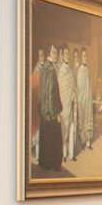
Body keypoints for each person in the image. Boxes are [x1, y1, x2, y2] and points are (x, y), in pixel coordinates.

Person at [37, 44, 63, 172]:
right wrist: (56, 111)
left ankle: (45, 163)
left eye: (56, 52)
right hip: (50, 110)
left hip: (44, 109)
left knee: (46, 137)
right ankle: (53, 165)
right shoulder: (51, 69)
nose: (56, 54)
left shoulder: (45, 68)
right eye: (54, 52)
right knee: (53, 137)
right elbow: (51, 92)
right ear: (49, 53)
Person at [56, 44, 77, 163]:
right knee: (63, 130)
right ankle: (64, 154)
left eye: (67, 54)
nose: (67, 56)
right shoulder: (60, 72)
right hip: (63, 105)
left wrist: (74, 93)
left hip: (71, 103)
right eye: (65, 54)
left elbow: (74, 86)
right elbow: (59, 89)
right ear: (61, 55)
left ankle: (71, 154)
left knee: (71, 129)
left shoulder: (70, 70)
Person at [75, 47, 93, 151]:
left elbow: (89, 85)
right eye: (83, 56)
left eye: (86, 55)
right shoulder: (79, 70)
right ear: (81, 57)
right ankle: (82, 141)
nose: (85, 57)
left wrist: (89, 97)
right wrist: (80, 99)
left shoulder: (88, 69)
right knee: (81, 120)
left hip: (88, 99)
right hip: (81, 99)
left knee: (88, 119)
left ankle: (88, 142)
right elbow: (79, 86)